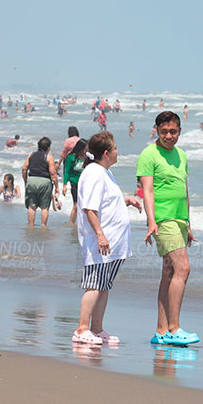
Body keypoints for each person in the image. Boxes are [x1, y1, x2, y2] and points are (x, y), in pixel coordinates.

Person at [72, 131, 143, 346]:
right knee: (94, 285)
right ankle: (82, 329)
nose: (117, 151)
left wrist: (126, 200)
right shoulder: (94, 172)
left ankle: (96, 329)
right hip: (100, 242)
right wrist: (100, 235)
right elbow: (90, 208)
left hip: (112, 243)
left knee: (103, 285)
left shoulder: (103, 172)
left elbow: (106, 199)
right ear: (106, 152)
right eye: (115, 148)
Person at [138, 111, 198, 346]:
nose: (168, 136)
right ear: (157, 131)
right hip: (163, 219)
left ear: (180, 131)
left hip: (180, 220)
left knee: (169, 273)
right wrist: (152, 221)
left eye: (173, 132)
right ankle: (174, 328)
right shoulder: (148, 154)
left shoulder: (182, 155)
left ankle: (161, 331)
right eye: (164, 132)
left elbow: (184, 190)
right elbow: (148, 191)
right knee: (183, 268)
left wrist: (188, 223)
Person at [23, 137, 59, 228]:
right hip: (45, 182)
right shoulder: (49, 157)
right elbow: (53, 173)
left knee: (31, 206)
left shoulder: (31, 155)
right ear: (48, 148)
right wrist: (57, 187)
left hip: (32, 180)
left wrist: (26, 181)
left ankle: (31, 226)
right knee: (44, 207)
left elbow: (24, 169)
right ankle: (43, 226)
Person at [63, 138, 87, 224]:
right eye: (86, 148)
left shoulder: (88, 158)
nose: (87, 150)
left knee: (86, 205)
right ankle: (71, 223)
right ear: (81, 148)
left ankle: (84, 223)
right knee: (76, 205)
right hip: (75, 183)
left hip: (86, 184)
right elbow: (67, 172)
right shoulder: (71, 157)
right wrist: (65, 185)